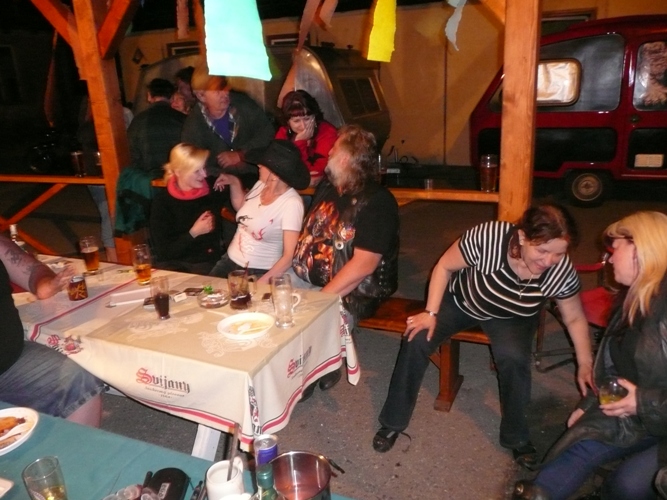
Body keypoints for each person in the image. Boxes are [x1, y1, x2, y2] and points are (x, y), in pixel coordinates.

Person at [373, 204, 594, 467]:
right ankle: (392, 422)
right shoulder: (489, 238)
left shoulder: (560, 269)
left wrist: (585, 362)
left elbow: (574, 317)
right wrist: (430, 312)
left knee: (514, 361)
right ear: (522, 237)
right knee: (417, 338)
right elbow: (444, 266)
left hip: (513, 317)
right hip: (463, 301)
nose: (548, 261)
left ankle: (516, 437)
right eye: (542, 251)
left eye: (558, 253)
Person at [513, 211, 667, 500]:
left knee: (628, 485)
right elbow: (615, 367)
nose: (608, 259)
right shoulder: (634, 297)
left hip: (652, 410)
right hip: (639, 412)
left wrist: (644, 402)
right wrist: (591, 402)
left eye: (614, 249)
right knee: (569, 456)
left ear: (641, 249)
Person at [291, 124, 399, 399]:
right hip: (304, 276)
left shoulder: (377, 201)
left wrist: (320, 300)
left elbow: (364, 265)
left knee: (310, 324)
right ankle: (312, 361)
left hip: (351, 291)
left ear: (345, 159)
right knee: (270, 306)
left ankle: (319, 364)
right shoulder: (328, 187)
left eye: (334, 149)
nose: (328, 152)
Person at [0, 235, 105, 426]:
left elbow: (32, 270)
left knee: (77, 378)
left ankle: (76, 446)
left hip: (9, 365)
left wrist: (46, 283)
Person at [181, 61, 275, 248]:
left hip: (253, 175)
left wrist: (241, 154)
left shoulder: (244, 105)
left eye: (225, 87)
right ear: (201, 95)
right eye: (217, 90)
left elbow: (268, 134)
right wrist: (218, 173)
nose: (225, 93)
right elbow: (191, 159)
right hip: (217, 181)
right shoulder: (194, 124)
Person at [209, 140, 310, 283]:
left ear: (275, 174)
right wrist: (234, 182)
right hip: (229, 260)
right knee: (205, 292)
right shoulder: (261, 184)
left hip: (259, 271)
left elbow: (289, 256)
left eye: (263, 164)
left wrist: (261, 283)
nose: (258, 165)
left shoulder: (291, 204)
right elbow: (245, 213)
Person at [149, 143, 227, 275]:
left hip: (206, 263)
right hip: (173, 264)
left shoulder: (213, 189)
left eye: (204, 168)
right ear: (178, 172)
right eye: (197, 171)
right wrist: (193, 233)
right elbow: (163, 252)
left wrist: (234, 182)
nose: (204, 175)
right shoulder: (163, 202)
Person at [275, 90, 338, 187]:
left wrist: (300, 143)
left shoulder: (328, 133)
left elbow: (314, 175)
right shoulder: (283, 133)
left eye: (307, 119)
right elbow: (276, 166)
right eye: (296, 121)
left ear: (314, 116)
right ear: (288, 122)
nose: (303, 126)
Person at [127, 78, 186, 179]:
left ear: (149, 96)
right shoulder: (182, 119)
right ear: (172, 97)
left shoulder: (138, 121)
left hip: (146, 179)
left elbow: (131, 152)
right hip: (176, 177)